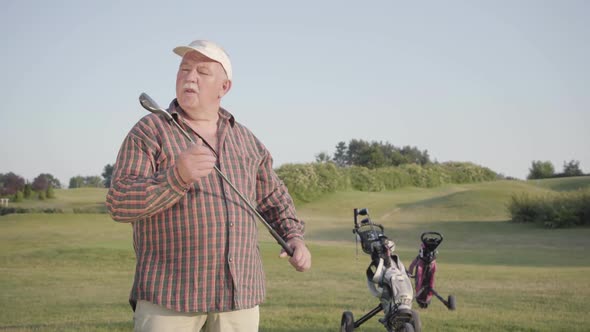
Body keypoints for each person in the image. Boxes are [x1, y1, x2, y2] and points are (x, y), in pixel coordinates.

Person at [106, 39, 311, 332]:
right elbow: (120, 202)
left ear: (224, 87)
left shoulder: (246, 139)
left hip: (239, 298)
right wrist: (176, 176)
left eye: (202, 72)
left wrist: (294, 236)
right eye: (184, 69)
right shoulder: (150, 131)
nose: (190, 76)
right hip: (169, 298)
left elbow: (274, 197)